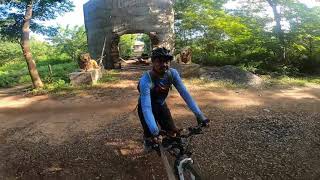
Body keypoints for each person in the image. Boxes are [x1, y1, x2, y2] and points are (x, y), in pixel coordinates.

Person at [137, 47, 209, 150]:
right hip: (145, 106)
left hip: (161, 104)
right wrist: (155, 131)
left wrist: (200, 116)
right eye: (160, 61)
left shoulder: (172, 73)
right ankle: (147, 141)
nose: (164, 65)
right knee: (151, 137)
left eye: (167, 61)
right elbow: (147, 108)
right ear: (153, 62)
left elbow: (186, 95)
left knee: (173, 132)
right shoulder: (146, 79)